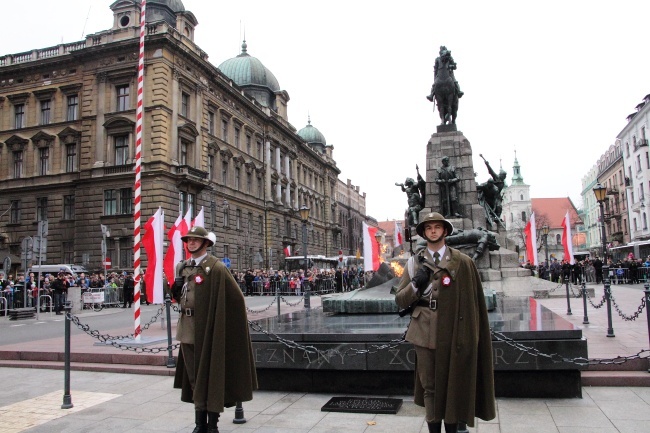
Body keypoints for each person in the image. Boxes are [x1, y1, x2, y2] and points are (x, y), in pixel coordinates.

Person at [394, 212, 495, 432]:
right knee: (430, 386)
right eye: (428, 227)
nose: (432, 230)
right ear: (423, 232)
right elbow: (400, 300)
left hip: (454, 331)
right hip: (424, 331)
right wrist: (415, 285)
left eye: (437, 227)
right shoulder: (414, 263)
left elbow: (473, 301)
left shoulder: (463, 262)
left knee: (453, 384)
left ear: (445, 231)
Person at [172, 225, 257, 433]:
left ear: (206, 243)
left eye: (195, 239)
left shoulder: (216, 268)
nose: (191, 243)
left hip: (208, 330)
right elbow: (180, 296)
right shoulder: (183, 267)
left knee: (211, 377)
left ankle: (212, 425)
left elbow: (236, 298)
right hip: (188, 329)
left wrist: (220, 321)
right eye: (188, 240)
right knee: (194, 378)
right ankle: (199, 424)